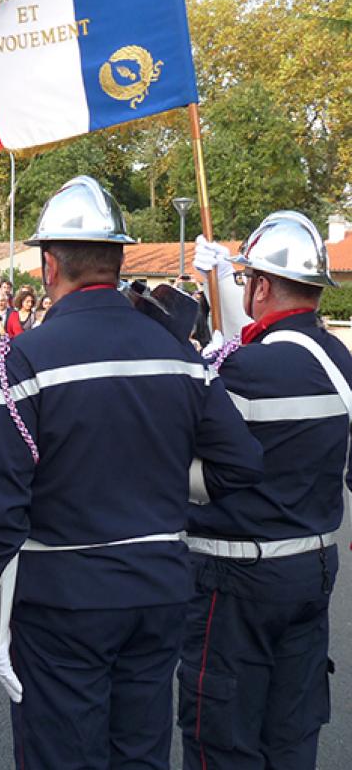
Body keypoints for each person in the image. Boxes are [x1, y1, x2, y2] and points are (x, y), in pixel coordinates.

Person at [0, 175, 264, 770]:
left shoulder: (24, 357)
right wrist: (160, 492)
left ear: (50, 264)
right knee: (140, 755)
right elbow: (241, 463)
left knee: (63, 756)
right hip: (158, 589)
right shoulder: (179, 355)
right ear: (118, 259)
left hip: (64, 599)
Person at [179, 213, 352, 770]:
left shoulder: (246, 368)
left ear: (259, 285)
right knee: (292, 734)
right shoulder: (340, 360)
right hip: (313, 568)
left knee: (221, 736)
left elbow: (183, 441)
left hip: (234, 580)